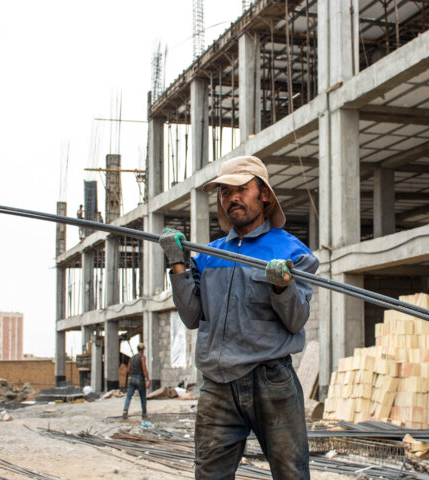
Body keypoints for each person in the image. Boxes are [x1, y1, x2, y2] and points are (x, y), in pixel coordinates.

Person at [159, 155, 318, 479]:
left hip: (271, 380)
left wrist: (283, 287)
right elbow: (192, 317)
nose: (232, 197)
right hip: (218, 384)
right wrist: (178, 264)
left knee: (291, 473)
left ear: (264, 195)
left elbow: (296, 320)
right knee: (210, 474)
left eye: (242, 189)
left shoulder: (293, 253)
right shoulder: (208, 255)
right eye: (225, 191)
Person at [122, 343, 150, 420]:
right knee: (143, 397)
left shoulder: (132, 358)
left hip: (132, 378)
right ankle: (144, 413)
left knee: (129, 396)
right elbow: (144, 369)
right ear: (143, 349)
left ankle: (125, 411)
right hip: (140, 378)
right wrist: (147, 379)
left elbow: (128, 370)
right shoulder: (142, 357)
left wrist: (132, 376)